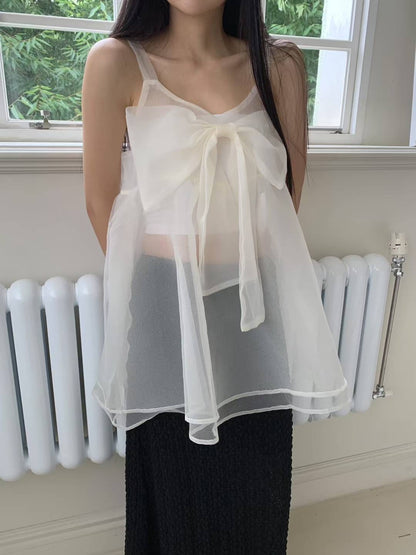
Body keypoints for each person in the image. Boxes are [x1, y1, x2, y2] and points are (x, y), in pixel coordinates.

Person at [82, 1, 350, 553]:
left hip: (253, 302)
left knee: (257, 475)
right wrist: (165, 292)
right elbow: (100, 201)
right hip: (162, 306)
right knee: (174, 481)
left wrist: (237, 271)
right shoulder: (116, 62)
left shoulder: (281, 67)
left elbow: (288, 196)